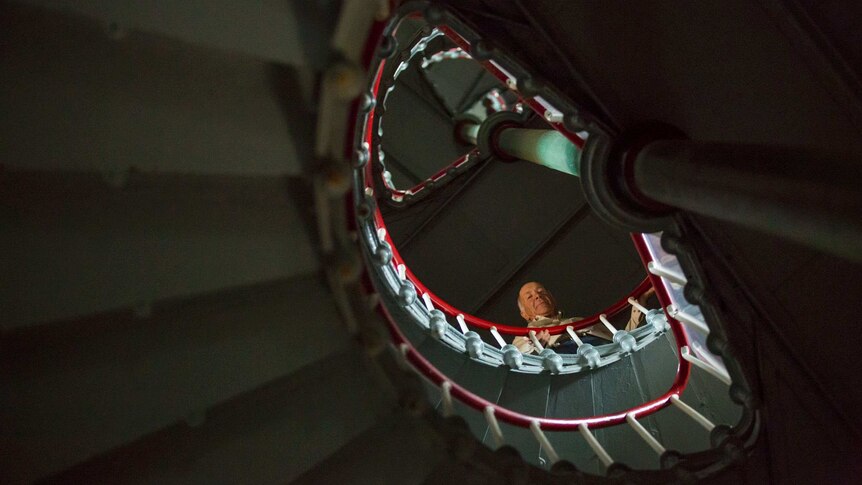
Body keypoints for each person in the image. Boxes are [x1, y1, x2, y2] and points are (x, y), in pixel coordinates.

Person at [512, 281, 655, 354]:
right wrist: (538, 349)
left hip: (610, 353)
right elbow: (522, 359)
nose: (538, 296)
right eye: (529, 297)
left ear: (552, 298)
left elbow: (624, 338)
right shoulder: (525, 336)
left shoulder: (580, 321)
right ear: (525, 314)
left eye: (541, 292)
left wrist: (639, 303)